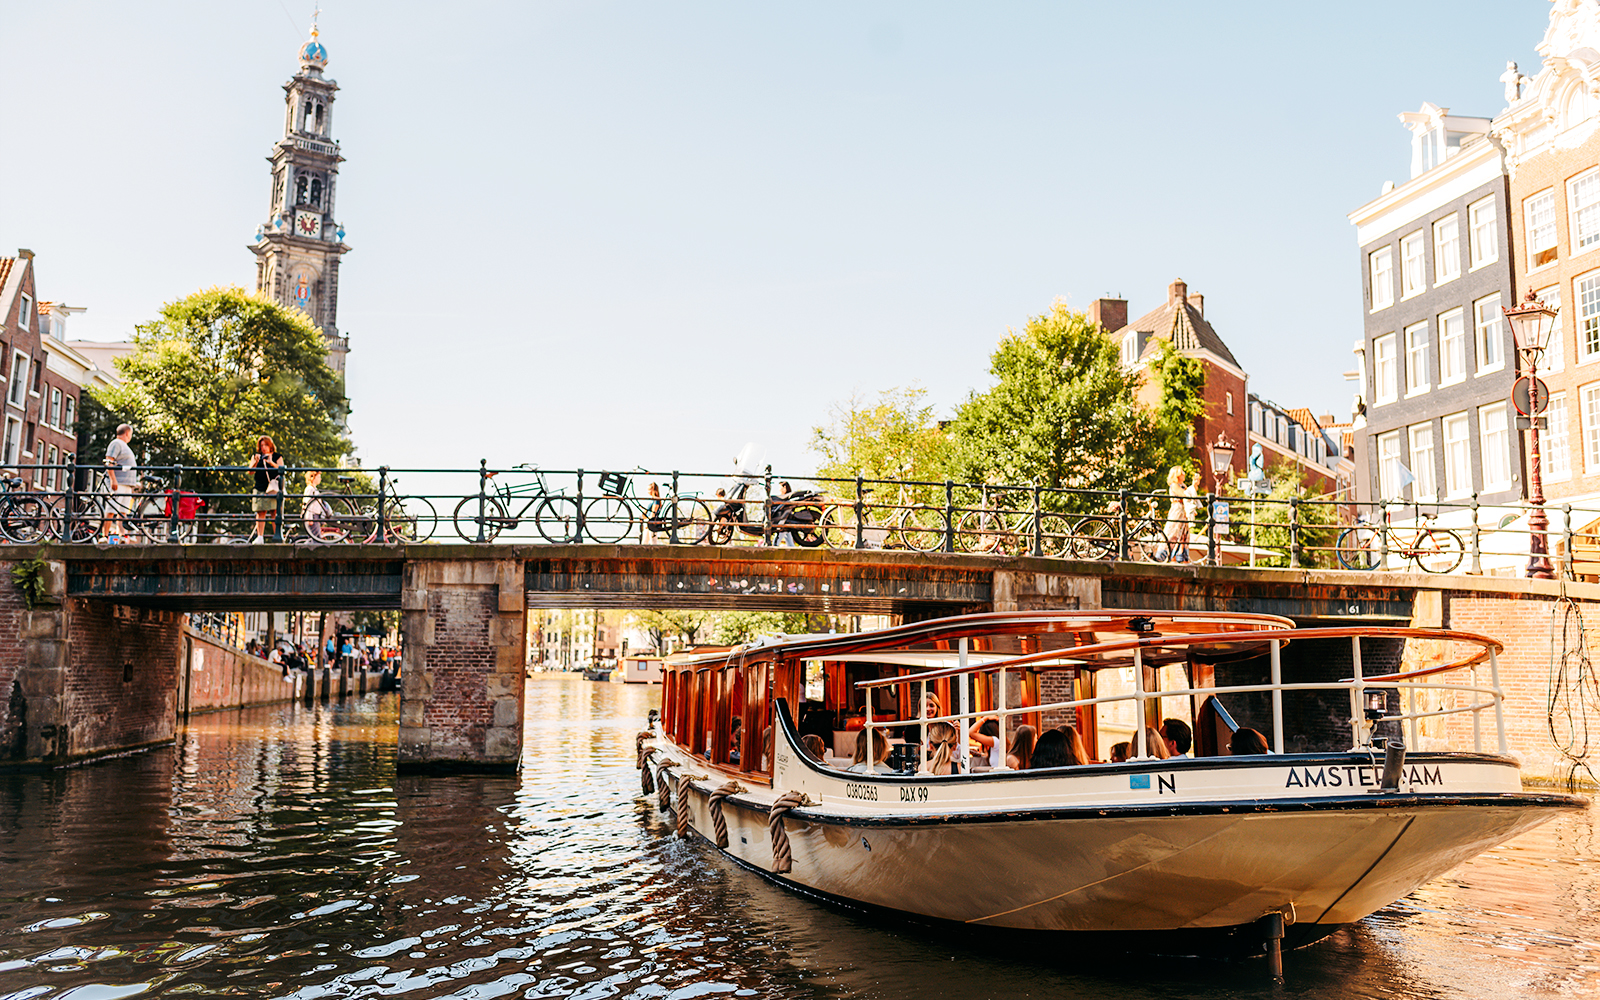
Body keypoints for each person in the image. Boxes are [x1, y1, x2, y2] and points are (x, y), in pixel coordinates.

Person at [101, 423, 137, 543]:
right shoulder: (116, 443)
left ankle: (121, 536)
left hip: (125, 484)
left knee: (122, 512)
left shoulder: (124, 445)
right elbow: (109, 461)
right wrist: (113, 479)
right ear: (127, 433)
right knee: (111, 509)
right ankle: (105, 536)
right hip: (118, 483)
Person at [248, 436, 287, 543]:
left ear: (270, 445)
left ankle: (278, 536)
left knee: (274, 512)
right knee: (261, 512)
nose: (263, 447)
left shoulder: (277, 456)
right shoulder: (256, 456)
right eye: (261, 445)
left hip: (273, 488)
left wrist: (271, 462)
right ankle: (260, 537)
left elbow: (282, 469)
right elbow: (250, 471)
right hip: (260, 487)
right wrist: (256, 462)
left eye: (266, 445)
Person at [1163, 466, 1196, 563]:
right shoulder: (1174, 485)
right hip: (1177, 509)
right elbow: (1185, 495)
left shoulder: (1183, 485)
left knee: (1184, 533)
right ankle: (1166, 555)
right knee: (1174, 531)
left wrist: (1194, 486)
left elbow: (1190, 495)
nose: (1184, 474)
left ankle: (1181, 556)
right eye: (1182, 472)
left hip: (1183, 510)